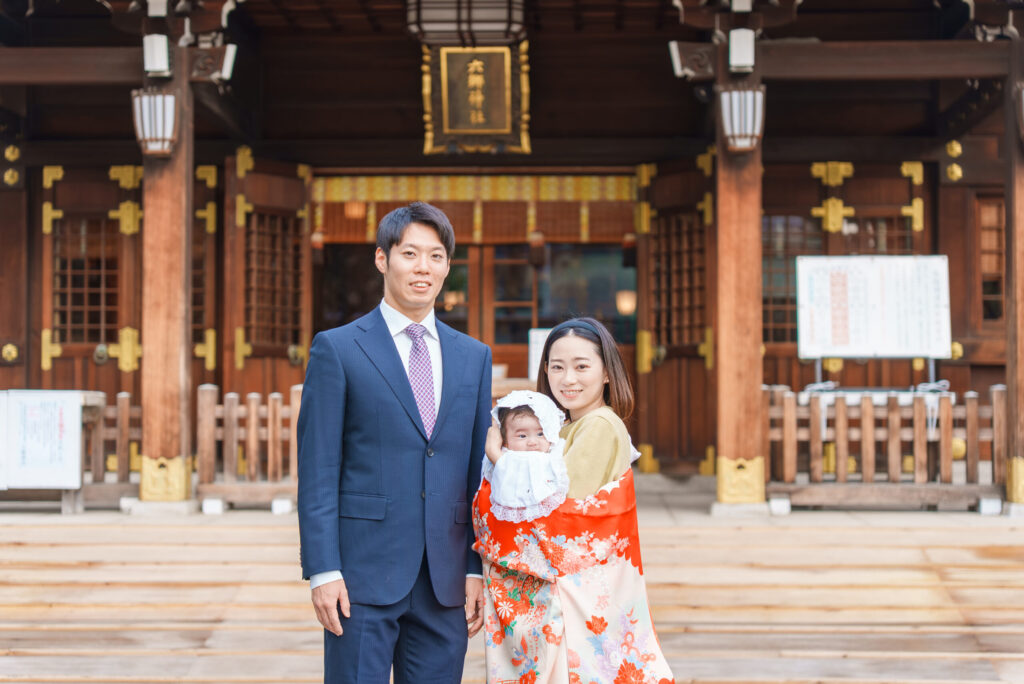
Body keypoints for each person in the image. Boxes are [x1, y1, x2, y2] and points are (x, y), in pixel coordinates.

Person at [298, 201, 491, 684]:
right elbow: (318, 468)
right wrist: (323, 570)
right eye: (410, 254)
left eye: (436, 256)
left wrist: (474, 567)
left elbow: (476, 473)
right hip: (360, 575)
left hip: (445, 579)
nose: (423, 268)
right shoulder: (338, 348)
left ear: (448, 266)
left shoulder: (474, 357)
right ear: (383, 259)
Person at [472, 318, 675, 684]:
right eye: (557, 366)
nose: (568, 379)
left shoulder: (599, 425)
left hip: (575, 603)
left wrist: (500, 461)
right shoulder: (563, 428)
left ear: (607, 372)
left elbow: (559, 516)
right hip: (573, 598)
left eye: (582, 366)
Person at [483, 390, 570, 523]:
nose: (533, 442)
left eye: (541, 434)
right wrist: (495, 454)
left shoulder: (556, 452)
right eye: (522, 436)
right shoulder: (506, 456)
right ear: (504, 440)